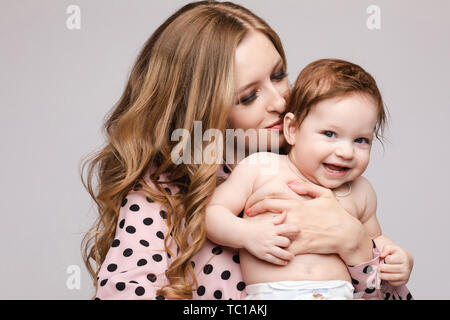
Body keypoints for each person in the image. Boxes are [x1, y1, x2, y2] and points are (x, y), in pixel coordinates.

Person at [81, 1, 398, 300]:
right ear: (203, 110)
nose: (279, 102)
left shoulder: (322, 169)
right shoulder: (161, 194)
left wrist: (357, 246)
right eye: (249, 96)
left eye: (278, 75)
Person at [205, 58, 414, 300]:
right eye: (329, 134)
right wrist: (248, 234)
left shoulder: (361, 191)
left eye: (360, 140)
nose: (346, 152)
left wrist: (398, 257)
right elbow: (213, 212)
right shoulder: (261, 168)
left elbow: (373, 242)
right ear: (292, 129)